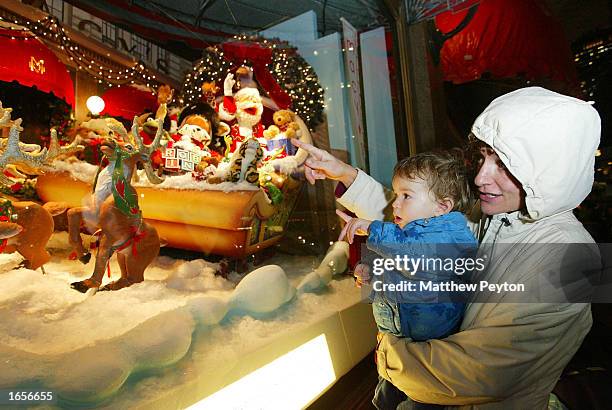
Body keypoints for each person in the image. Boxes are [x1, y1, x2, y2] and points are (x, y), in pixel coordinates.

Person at [292, 87, 602, 409]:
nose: (481, 177)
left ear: (550, 172)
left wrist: (388, 351)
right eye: (483, 159)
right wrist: (345, 175)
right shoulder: (503, 216)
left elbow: (476, 373)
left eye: (506, 166)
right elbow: (420, 224)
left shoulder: (569, 256)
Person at [337, 151, 478, 410]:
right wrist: (369, 274)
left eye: (406, 195)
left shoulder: (451, 238)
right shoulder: (408, 234)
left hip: (429, 359)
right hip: (399, 345)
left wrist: (372, 227)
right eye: (395, 194)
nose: (395, 203)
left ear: (442, 207)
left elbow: (415, 258)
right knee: (385, 400)